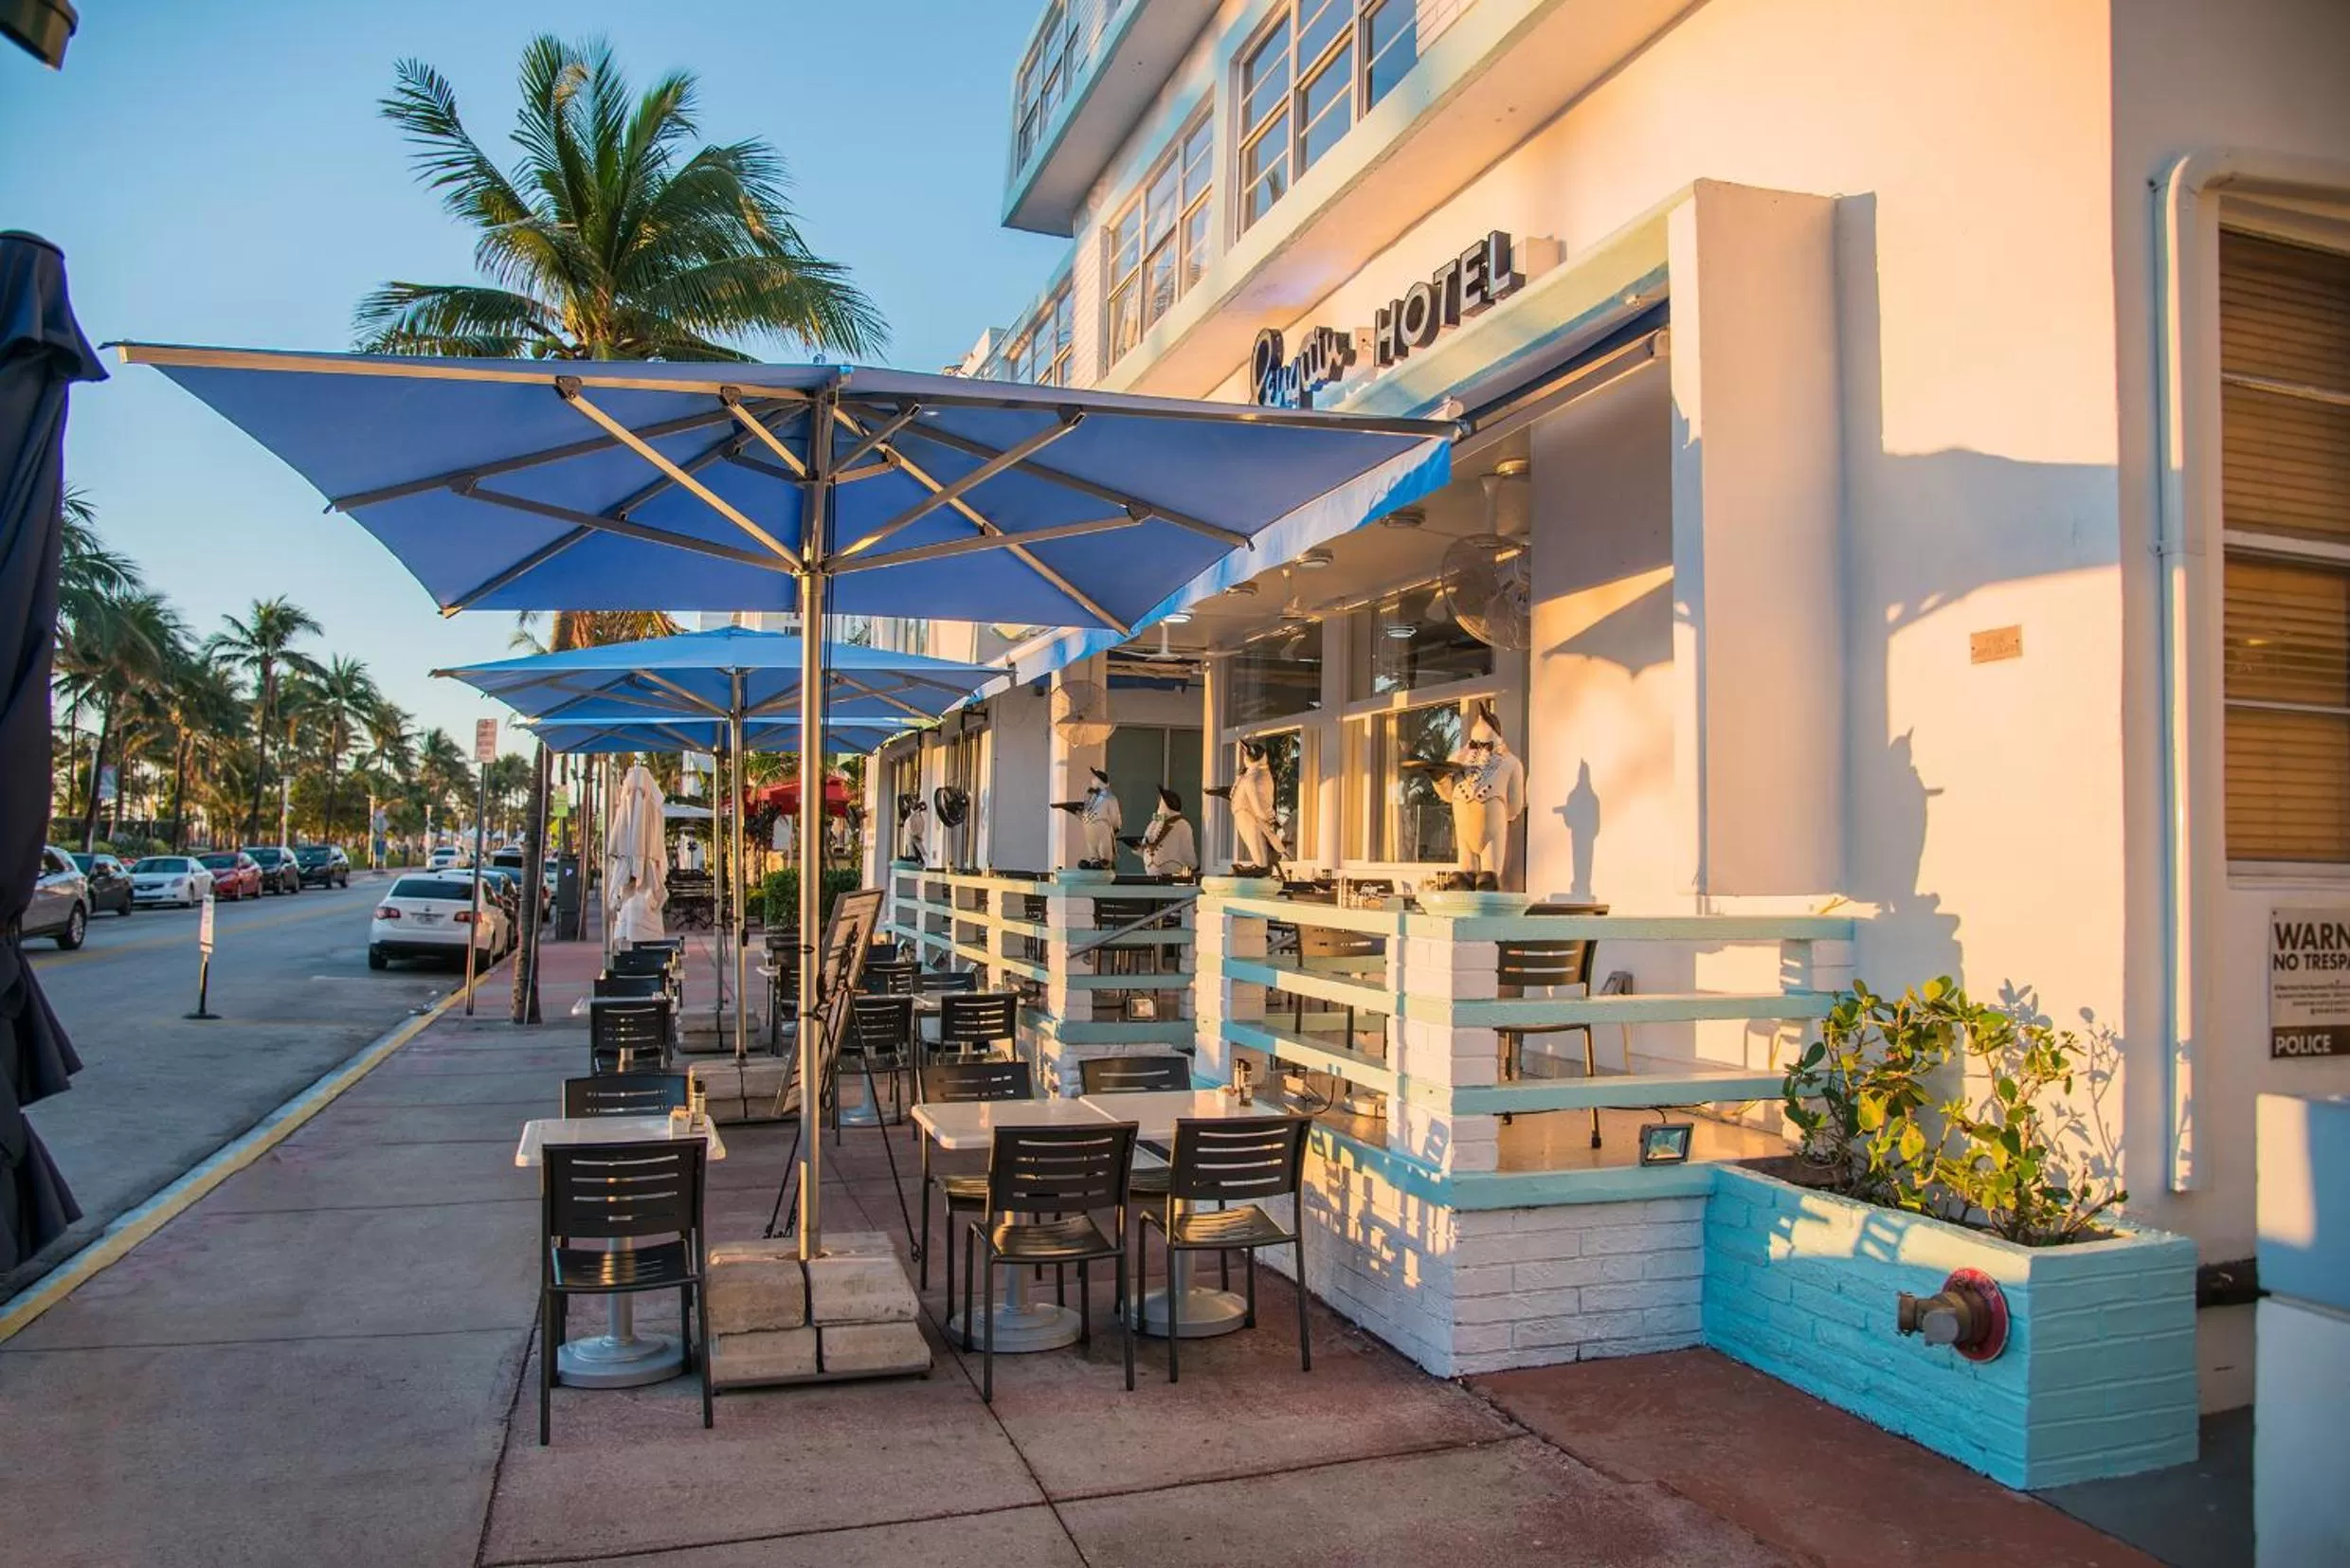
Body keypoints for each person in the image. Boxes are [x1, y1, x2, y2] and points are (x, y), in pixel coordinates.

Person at [1438, 703, 1526, 892]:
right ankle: (1464, 880)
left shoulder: (1510, 763)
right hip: (1464, 828)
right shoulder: (1457, 759)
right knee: (1463, 875)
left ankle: (1487, 882)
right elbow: (1447, 795)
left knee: (1489, 876)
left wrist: (1500, 812)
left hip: (1493, 831)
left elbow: (1515, 806)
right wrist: (1438, 778)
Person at [1138, 787, 1198, 878]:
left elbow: (1187, 851)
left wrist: (1193, 866)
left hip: (1170, 872)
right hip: (1151, 870)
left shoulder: (1182, 825)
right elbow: (1145, 844)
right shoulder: (1155, 822)